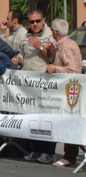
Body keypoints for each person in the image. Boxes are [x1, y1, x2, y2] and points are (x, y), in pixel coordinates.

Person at [12, 9, 57, 164]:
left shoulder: (49, 35)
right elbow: (23, 54)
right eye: (32, 21)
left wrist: (39, 46)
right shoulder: (27, 35)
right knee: (30, 118)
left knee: (44, 119)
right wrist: (18, 59)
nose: (35, 24)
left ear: (44, 20)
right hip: (27, 81)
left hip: (43, 82)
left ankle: (48, 151)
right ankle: (35, 150)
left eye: (38, 21)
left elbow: (52, 56)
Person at [45, 19, 83, 168]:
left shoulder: (66, 47)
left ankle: (70, 156)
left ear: (55, 32)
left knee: (70, 123)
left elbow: (73, 70)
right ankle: (70, 155)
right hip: (69, 91)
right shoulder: (66, 45)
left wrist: (55, 69)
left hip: (70, 92)